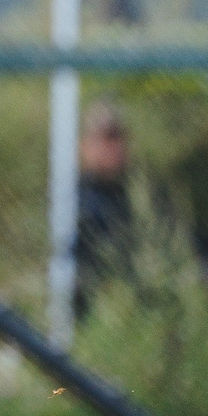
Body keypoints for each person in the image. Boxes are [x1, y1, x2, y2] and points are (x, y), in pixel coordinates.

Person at [72, 99, 136, 316]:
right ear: (84, 145)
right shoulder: (73, 201)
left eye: (119, 137)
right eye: (107, 138)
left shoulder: (135, 194)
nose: (115, 148)